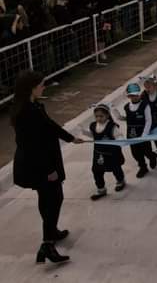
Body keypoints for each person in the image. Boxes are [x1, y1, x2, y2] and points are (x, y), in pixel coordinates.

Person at [11, 71, 83, 263]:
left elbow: (49, 125)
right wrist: (48, 170)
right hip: (39, 164)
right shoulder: (25, 113)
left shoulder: (33, 106)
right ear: (31, 88)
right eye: (42, 84)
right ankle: (47, 244)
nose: (44, 87)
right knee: (54, 198)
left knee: (48, 198)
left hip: (43, 161)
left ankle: (51, 232)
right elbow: (31, 146)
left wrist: (71, 138)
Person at [116, 83, 157, 178]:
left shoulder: (145, 105)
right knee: (136, 154)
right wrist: (113, 110)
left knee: (147, 151)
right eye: (131, 95)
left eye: (135, 95)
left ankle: (152, 157)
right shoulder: (127, 106)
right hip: (131, 135)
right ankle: (143, 167)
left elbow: (148, 120)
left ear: (139, 94)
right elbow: (122, 118)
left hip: (143, 135)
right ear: (128, 96)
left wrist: (144, 134)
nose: (134, 97)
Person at [85, 103, 125, 200]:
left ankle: (120, 181)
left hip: (112, 153)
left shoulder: (112, 126)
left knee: (116, 168)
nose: (98, 118)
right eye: (96, 116)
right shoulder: (93, 125)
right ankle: (101, 189)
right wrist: (82, 132)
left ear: (107, 115)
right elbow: (92, 135)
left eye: (101, 116)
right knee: (96, 170)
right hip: (98, 154)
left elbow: (119, 136)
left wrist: (120, 140)